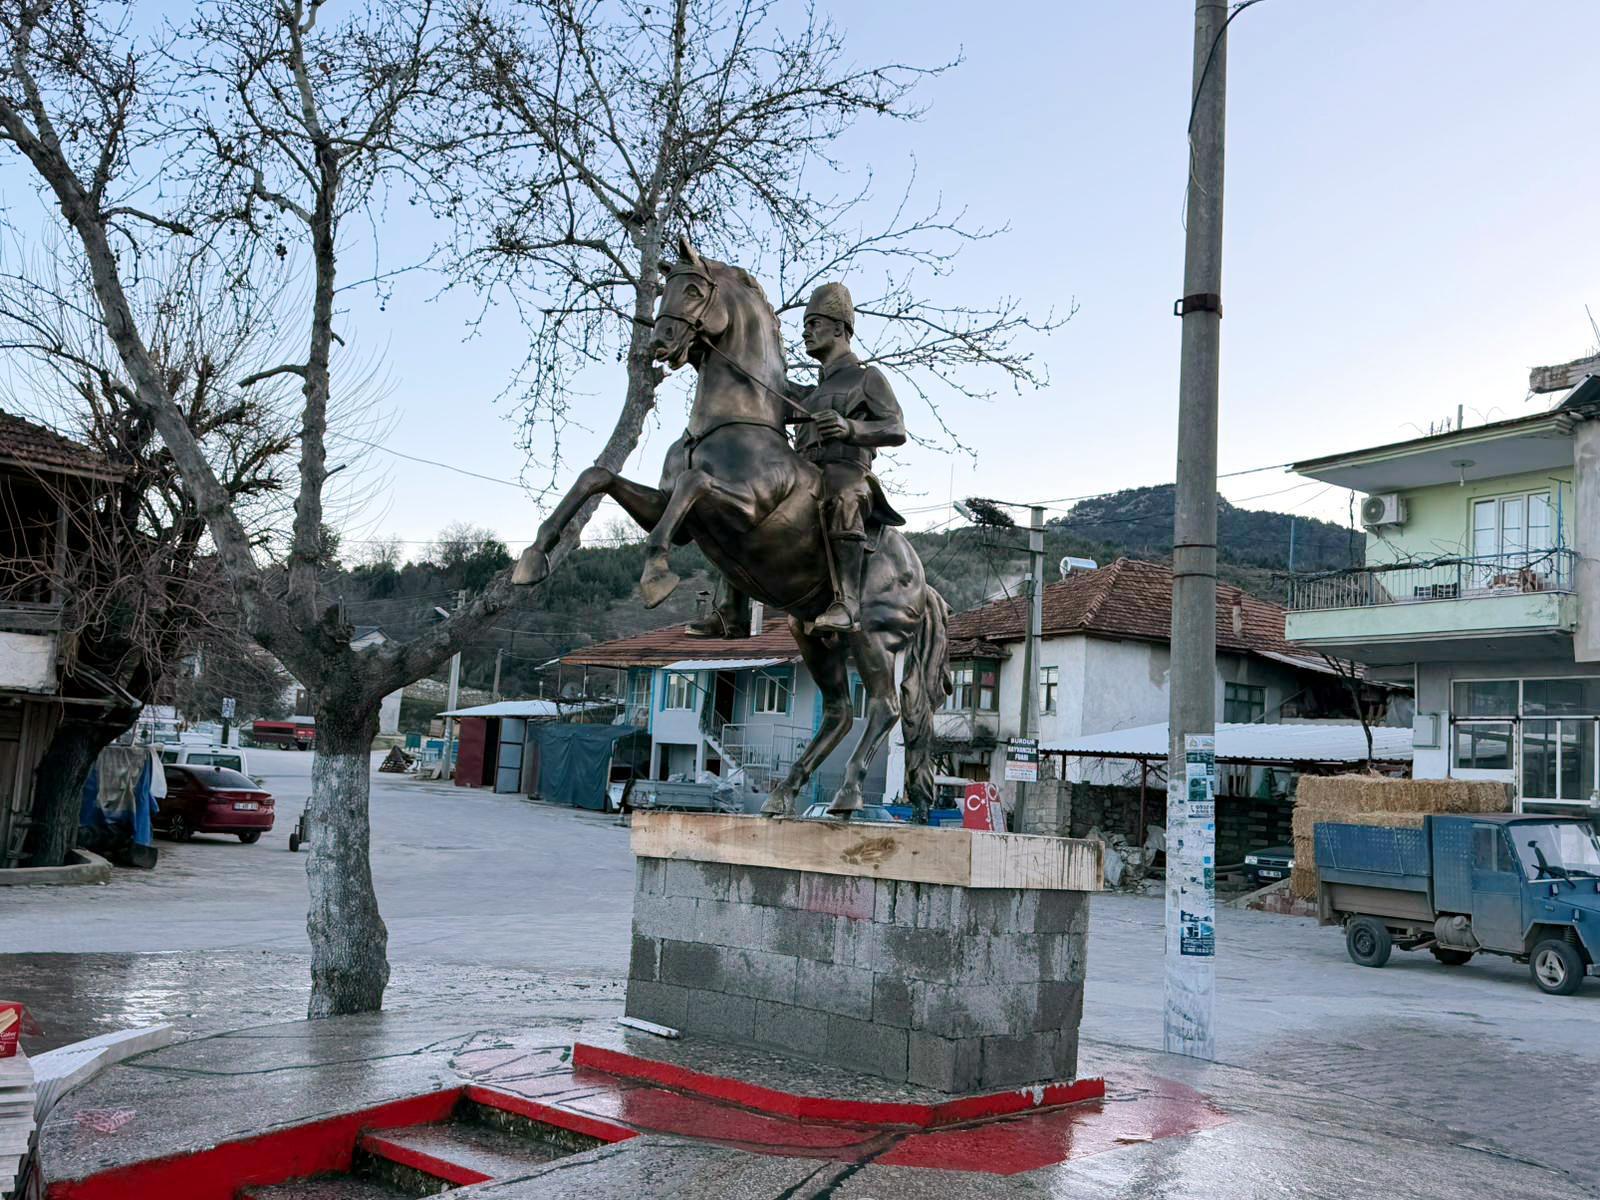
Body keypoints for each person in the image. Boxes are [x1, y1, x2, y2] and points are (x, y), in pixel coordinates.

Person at [787, 282, 907, 633]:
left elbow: (896, 427)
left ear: (839, 328)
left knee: (843, 493)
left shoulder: (866, 378)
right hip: (804, 474)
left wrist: (850, 428)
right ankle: (732, 608)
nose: (806, 332)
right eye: (805, 325)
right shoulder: (808, 394)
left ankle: (848, 601)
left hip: (848, 471)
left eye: (814, 324)